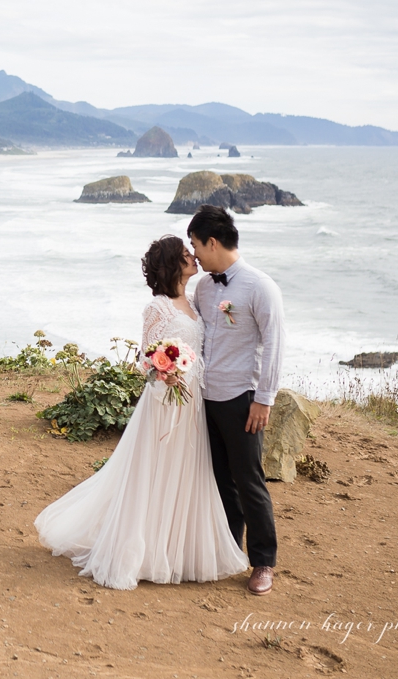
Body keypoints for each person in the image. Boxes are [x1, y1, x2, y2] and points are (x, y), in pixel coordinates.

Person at [33, 235, 250, 590]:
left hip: (193, 403)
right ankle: (143, 553)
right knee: (156, 472)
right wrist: (167, 373)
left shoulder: (194, 301)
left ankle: (177, 553)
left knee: (187, 472)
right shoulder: (157, 308)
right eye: (186, 255)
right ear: (173, 264)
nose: (193, 257)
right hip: (165, 404)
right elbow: (145, 360)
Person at [187, 204, 284, 596]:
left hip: (242, 398)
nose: (193, 254)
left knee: (249, 481)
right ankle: (229, 552)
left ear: (212, 242)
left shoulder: (260, 286)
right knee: (220, 481)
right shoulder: (203, 287)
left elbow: (275, 344)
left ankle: (263, 562)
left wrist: (265, 399)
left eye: (196, 245)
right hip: (205, 397)